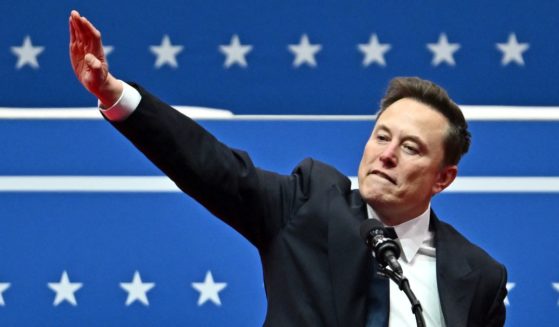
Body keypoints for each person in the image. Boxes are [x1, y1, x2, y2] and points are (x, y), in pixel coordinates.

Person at [69, 10, 507, 327]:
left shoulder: (479, 275)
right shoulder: (307, 205)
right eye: (381, 136)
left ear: (443, 178)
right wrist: (113, 94)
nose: (386, 154)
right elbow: (209, 165)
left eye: (410, 147)